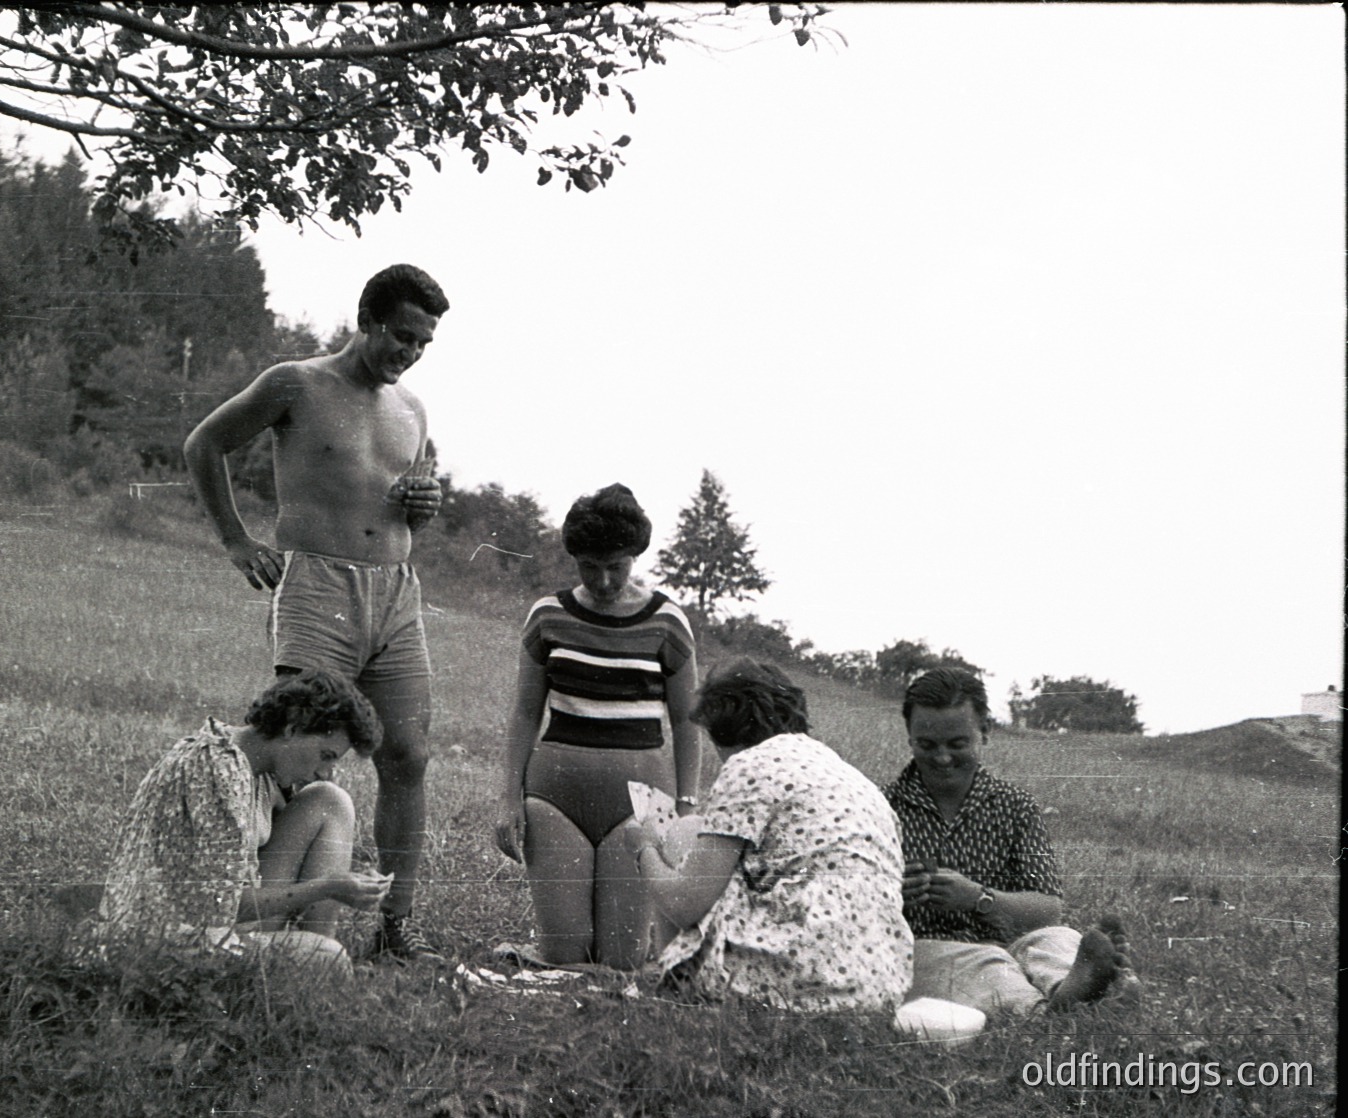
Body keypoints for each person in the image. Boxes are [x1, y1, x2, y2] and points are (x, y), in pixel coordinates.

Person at [182, 264, 449, 962]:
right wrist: (237, 540)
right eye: (400, 335)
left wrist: (422, 506)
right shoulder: (295, 383)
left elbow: (408, 494)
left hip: (394, 590)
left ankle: (397, 927)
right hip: (317, 586)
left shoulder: (412, 410)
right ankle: (268, 917)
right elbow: (203, 444)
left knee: (408, 755)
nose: (409, 353)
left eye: (423, 343)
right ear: (364, 318)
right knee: (303, 753)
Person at [493, 484, 701, 969]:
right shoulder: (548, 615)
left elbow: (687, 723)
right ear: (574, 559)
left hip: (642, 807)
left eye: (617, 566)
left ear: (635, 556)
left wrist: (686, 808)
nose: (604, 581)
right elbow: (525, 714)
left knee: (619, 965)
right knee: (566, 957)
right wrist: (508, 799)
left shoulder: (668, 621)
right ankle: (546, 954)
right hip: (554, 800)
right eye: (591, 567)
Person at [633, 659, 913, 1011]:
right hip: (876, 983)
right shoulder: (851, 777)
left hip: (795, 980)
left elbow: (684, 904)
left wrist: (643, 848)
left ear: (722, 728)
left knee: (687, 830)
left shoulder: (748, 766)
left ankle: (670, 985)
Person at [98, 670, 392, 975]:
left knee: (329, 800)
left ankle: (313, 957)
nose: (325, 770)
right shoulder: (218, 772)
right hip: (170, 942)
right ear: (292, 729)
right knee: (328, 959)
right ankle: (316, 964)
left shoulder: (251, 760)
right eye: (325, 755)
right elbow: (223, 907)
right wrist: (328, 887)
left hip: (207, 921)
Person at [886, 667, 1136, 1015]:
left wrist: (979, 898)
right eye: (927, 745)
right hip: (927, 950)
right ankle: (1045, 1009)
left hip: (1011, 941)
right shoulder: (882, 808)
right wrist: (891, 896)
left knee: (1058, 939)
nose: (942, 758)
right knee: (983, 963)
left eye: (958, 744)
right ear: (909, 736)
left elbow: (1047, 908)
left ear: (985, 732)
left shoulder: (1015, 806)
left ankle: (1081, 983)